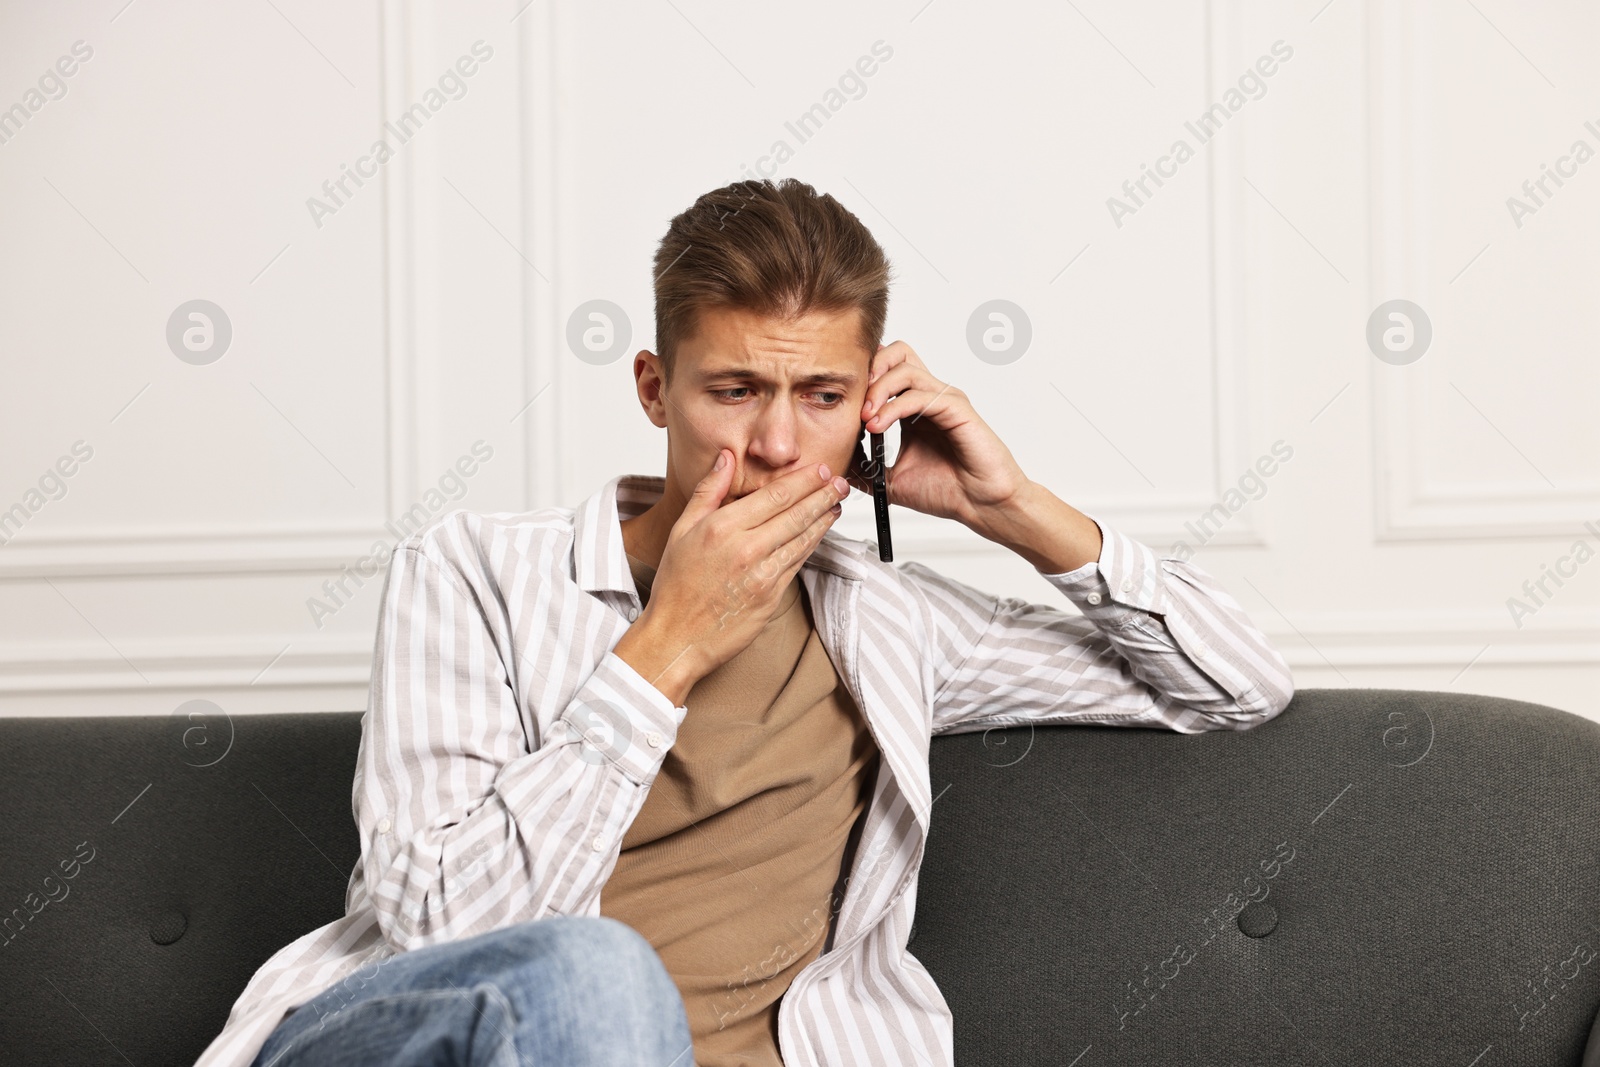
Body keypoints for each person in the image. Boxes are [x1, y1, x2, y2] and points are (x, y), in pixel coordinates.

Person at [195, 177, 1293, 1067]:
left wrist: (1003, 504)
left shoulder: (888, 622)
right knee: (596, 971)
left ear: (871, 409)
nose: (776, 444)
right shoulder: (475, 570)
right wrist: (665, 643)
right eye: (732, 391)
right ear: (652, 387)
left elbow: (1237, 680)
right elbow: (440, 920)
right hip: (421, 1038)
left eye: (821, 397)